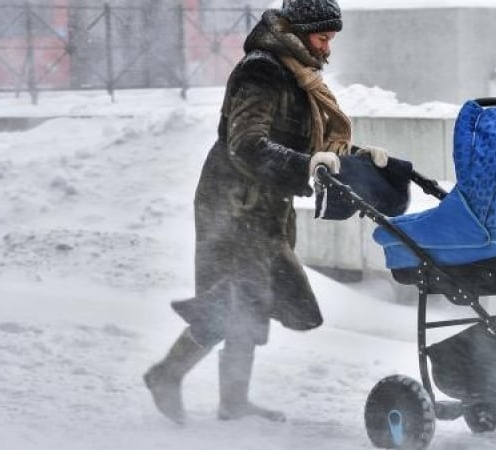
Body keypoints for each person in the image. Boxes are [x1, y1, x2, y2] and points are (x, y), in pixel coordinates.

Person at [143, 0, 388, 425]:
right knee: (236, 298)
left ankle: (232, 400)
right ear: (299, 31)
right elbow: (246, 144)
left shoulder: (296, 73)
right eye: (323, 38)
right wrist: (307, 165)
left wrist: (358, 158)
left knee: (252, 300)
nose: (328, 49)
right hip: (234, 202)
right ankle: (167, 375)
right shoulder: (263, 70)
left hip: (265, 203)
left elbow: (302, 143)